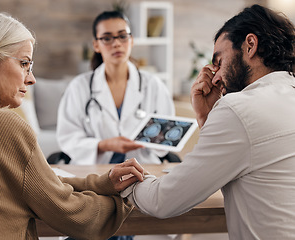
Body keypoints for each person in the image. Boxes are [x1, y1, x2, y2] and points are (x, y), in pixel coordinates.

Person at [0, 13, 146, 240]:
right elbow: (72, 215)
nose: (31, 78)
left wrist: (102, 184)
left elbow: (37, 183)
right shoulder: (2, 125)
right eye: (24, 63)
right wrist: (124, 199)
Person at [121, 4, 295, 239]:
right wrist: (208, 118)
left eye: (219, 61)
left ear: (250, 45)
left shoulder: (239, 109)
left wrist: (127, 180)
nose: (217, 76)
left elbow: (163, 201)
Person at [57, 11, 176, 165]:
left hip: (143, 169)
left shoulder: (153, 85)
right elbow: (67, 137)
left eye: (122, 36)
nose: (116, 43)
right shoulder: (79, 87)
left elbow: (167, 139)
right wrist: (104, 145)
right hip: (93, 172)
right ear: (96, 45)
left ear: (131, 40)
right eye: (107, 38)